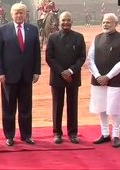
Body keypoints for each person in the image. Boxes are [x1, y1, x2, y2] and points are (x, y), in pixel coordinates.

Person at [0, 3, 41, 146]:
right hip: (8, 76)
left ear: (26, 14)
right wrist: (0, 72)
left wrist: (36, 71)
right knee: (8, 108)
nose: (19, 15)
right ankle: (9, 136)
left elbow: (36, 53)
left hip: (27, 75)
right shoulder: (3, 30)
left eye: (22, 13)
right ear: (11, 14)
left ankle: (26, 135)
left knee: (26, 107)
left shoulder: (33, 29)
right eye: (16, 13)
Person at [45, 11, 86, 144]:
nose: (66, 23)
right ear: (59, 21)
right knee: (57, 106)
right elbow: (49, 58)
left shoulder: (79, 37)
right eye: (63, 20)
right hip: (57, 77)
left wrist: (70, 71)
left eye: (68, 20)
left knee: (72, 105)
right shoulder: (52, 37)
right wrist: (62, 72)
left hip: (73, 77)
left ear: (72, 21)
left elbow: (82, 57)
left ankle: (73, 133)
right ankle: (57, 133)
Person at [88, 13, 120, 148]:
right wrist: (98, 76)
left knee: (115, 108)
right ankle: (105, 133)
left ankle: (116, 135)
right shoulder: (97, 38)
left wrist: (108, 76)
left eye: (109, 22)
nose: (105, 24)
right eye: (104, 22)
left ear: (115, 24)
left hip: (116, 79)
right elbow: (90, 58)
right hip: (98, 79)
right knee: (101, 107)